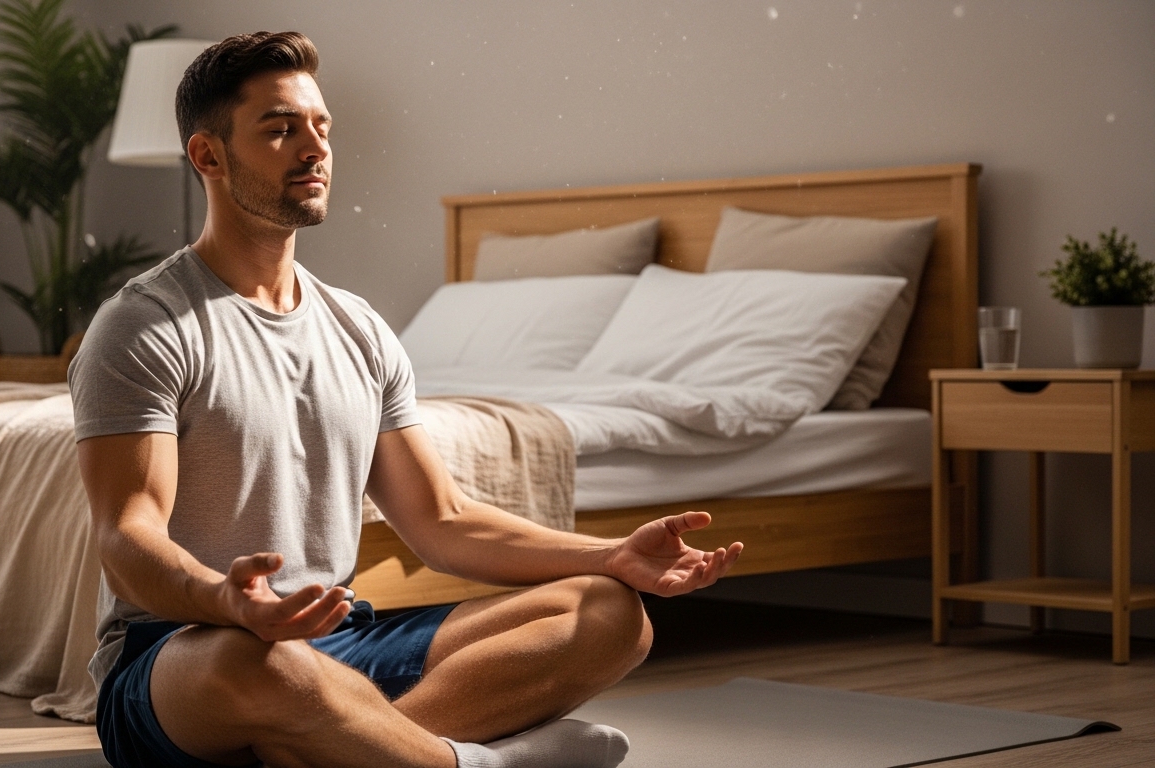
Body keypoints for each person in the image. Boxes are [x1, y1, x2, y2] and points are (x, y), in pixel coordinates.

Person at [69, 31, 743, 768]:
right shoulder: (146, 324)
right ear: (209, 157)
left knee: (609, 613)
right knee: (260, 665)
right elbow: (126, 539)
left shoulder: (359, 328)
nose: (314, 147)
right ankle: (467, 761)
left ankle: (352, 749)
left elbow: (442, 520)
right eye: (280, 128)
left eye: (321, 127)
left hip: (339, 641)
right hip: (183, 654)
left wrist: (613, 554)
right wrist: (228, 602)